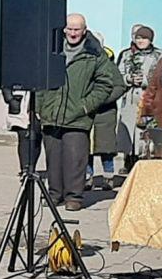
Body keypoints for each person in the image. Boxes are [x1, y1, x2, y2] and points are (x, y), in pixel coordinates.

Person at [33, 14, 124, 208]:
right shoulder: (53, 49)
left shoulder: (94, 54)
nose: (73, 33)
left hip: (78, 115)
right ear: (64, 30)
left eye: (77, 29)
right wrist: (40, 105)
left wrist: (86, 105)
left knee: (75, 158)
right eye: (70, 29)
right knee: (53, 157)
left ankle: (74, 197)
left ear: (84, 30)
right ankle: (54, 194)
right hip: (51, 112)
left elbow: (107, 84)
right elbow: (40, 80)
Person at [116, 25, 162, 169]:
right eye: (138, 38)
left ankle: (143, 162)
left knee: (143, 134)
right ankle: (128, 161)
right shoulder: (126, 54)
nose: (141, 41)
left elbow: (160, 76)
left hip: (148, 99)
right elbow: (117, 75)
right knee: (128, 134)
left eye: (144, 38)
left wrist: (144, 80)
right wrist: (129, 79)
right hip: (130, 99)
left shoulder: (158, 55)